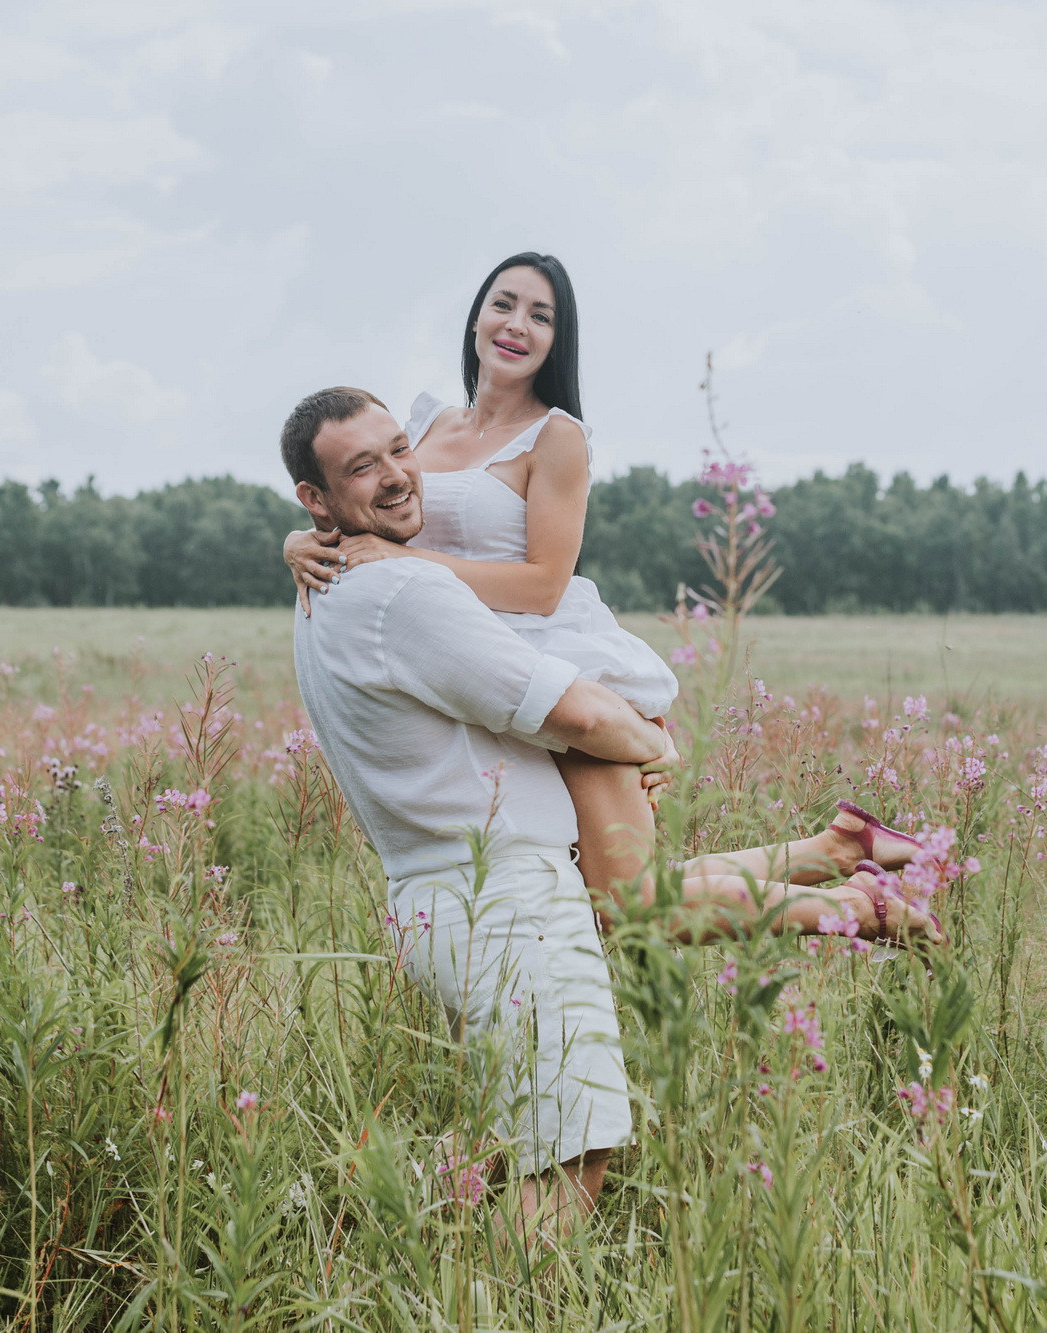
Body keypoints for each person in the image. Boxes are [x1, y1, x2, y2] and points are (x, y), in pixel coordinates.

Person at [280, 385, 939, 1236]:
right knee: (568, 1158)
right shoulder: (402, 593)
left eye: (399, 449)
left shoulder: (319, 592)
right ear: (317, 498)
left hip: (446, 902)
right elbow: (582, 714)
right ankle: (844, 901)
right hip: (508, 909)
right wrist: (652, 745)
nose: (399, 475)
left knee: (504, 1147)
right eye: (361, 467)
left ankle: (359, 1244)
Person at [285, 253, 926, 924]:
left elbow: (541, 586)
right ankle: (841, 847)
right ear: (476, 316)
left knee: (629, 903)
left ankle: (860, 909)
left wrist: (394, 562)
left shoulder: (556, 438)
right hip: (478, 670)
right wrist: (297, 540)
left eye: (541, 316)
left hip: (564, 669)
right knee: (614, 894)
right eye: (503, 303)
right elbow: (357, 496)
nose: (516, 325)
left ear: (558, 341)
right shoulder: (421, 426)